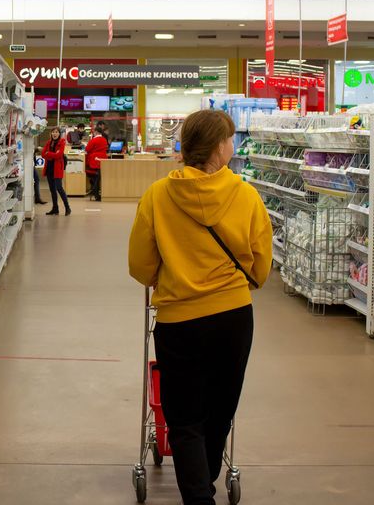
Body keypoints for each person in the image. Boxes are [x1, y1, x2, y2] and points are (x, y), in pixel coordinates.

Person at [127, 109, 272, 505]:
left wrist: (171, 275)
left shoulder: (158, 196)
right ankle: (203, 483)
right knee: (220, 411)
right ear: (218, 148)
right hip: (232, 318)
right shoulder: (245, 195)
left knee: (185, 417)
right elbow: (260, 264)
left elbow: (140, 265)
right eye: (230, 139)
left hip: (179, 320)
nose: (233, 145)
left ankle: (197, 496)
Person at [41, 127, 71, 216]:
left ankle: (67, 207)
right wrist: (51, 155)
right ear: (51, 133)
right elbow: (43, 154)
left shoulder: (62, 142)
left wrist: (48, 154)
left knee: (59, 188)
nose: (54, 134)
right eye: (53, 132)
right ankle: (55, 209)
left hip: (57, 169)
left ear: (59, 133)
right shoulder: (48, 142)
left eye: (56, 132)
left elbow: (59, 155)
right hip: (49, 168)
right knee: (52, 190)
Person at [85, 126, 109, 201]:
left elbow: (87, 149)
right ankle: (95, 191)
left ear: (96, 132)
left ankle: (94, 191)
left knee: (93, 176)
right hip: (103, 161)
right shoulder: (104, 140)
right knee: (98, 176)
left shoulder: (93, 140)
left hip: (94, 162)